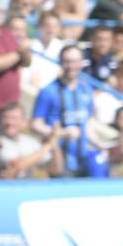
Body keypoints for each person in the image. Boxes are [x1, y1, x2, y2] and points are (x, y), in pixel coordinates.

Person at [31, 44, 94, 176]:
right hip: (59, 160)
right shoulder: (48, 91)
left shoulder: (86, 89)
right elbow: (35, 124)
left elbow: (88, 121)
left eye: (75, 62)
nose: (71, 66)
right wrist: (62, 133)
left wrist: (100, 144)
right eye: (67, 62)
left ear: (82, 63)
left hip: (84, 159)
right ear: (60, 62)